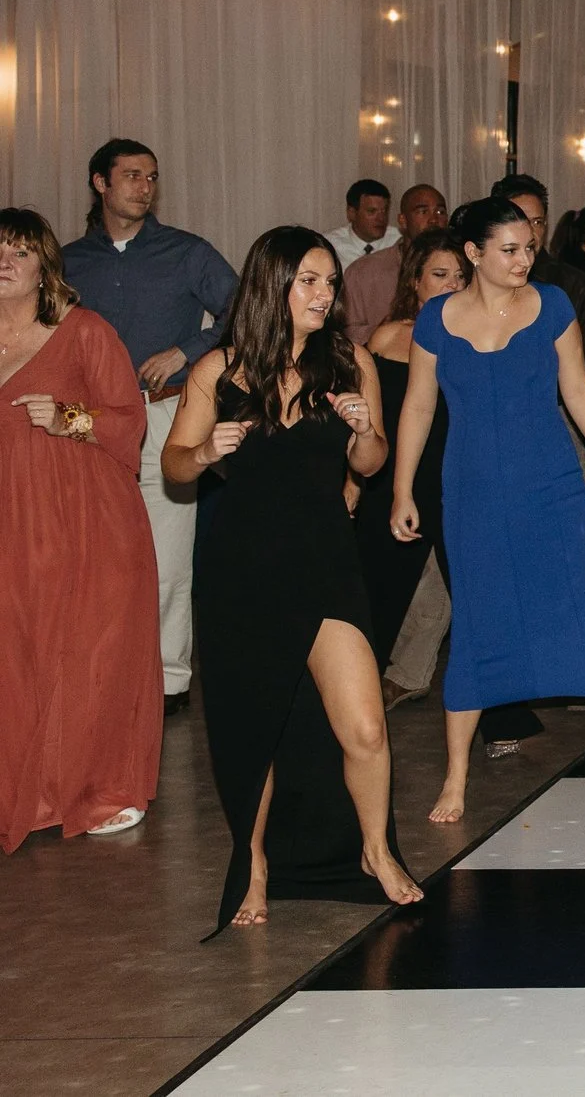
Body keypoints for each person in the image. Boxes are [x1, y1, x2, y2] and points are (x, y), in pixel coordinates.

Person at [163, 226, 422, 928]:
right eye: (308, 279)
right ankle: (253, 861)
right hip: (242, 574)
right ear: (270, 284)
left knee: (365, 726)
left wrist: (365, 428)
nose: (323, 293)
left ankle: (374, 849)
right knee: (256, 733)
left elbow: (370, 465)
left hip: (325, 564)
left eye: (329, 282)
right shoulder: (221, 370)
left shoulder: (350, 363)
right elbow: (174, 465)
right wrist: (205, 448)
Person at [391, 198, 585, 824]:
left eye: (528, 248)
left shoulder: (554, 306)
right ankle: (456, 778)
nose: (523, 260)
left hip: (551, 486)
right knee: (478, 622)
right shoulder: (435, 319)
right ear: (474, 254)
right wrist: (404, 489)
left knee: (573, 610)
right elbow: (417, 408)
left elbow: (575, 388)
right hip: (471, 493)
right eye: (508, 250)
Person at [0, 208, 160, 850]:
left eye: (18, 250)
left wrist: (71, 416)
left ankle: (97, 787)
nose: (4, 261)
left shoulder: (84, 330)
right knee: (15, 652)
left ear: (44, 265)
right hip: (11, 522)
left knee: (84, 651)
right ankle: (26, 786)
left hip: (83, 522)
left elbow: (131, 423)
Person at [61, 138, 237, 715]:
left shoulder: (186, 251)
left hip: (166, 414)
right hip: (86, 425)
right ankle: (101, 670)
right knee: (92, 552)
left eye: (151, 177)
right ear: (100, 183)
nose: (144, 186)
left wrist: (184, 350)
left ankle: (167, 680)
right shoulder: (68, 261)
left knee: (167, 552)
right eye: (132, 176)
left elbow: (244, 311)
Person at [353, 232, 466, 664]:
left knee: (474, 597)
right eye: (439, 275)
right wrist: (353, 481)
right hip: (393, 478)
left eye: (460, 276)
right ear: (414, 281)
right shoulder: (386, 337)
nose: (451, 285)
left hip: (455, 478)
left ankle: (501, 713)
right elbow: (365, 418)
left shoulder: (475, 340)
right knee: (374, 597)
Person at [490, 174, 585, 389]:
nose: (529, 231)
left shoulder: (573, 285)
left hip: (556, 403)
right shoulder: (476, 279)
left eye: (537, 222)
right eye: (519, 220)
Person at [343, 184, 448, 345]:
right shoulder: (363, 272)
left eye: (440, 212)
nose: (434, 219)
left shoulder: (461, 269)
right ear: (403, 221)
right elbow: (347, 332)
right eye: (422, 211)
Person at [325, 179, 398, 265]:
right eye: (372, 211)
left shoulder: (398, 242)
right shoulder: (330, 246)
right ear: (352, 213)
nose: (381, 219)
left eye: (384, 211)